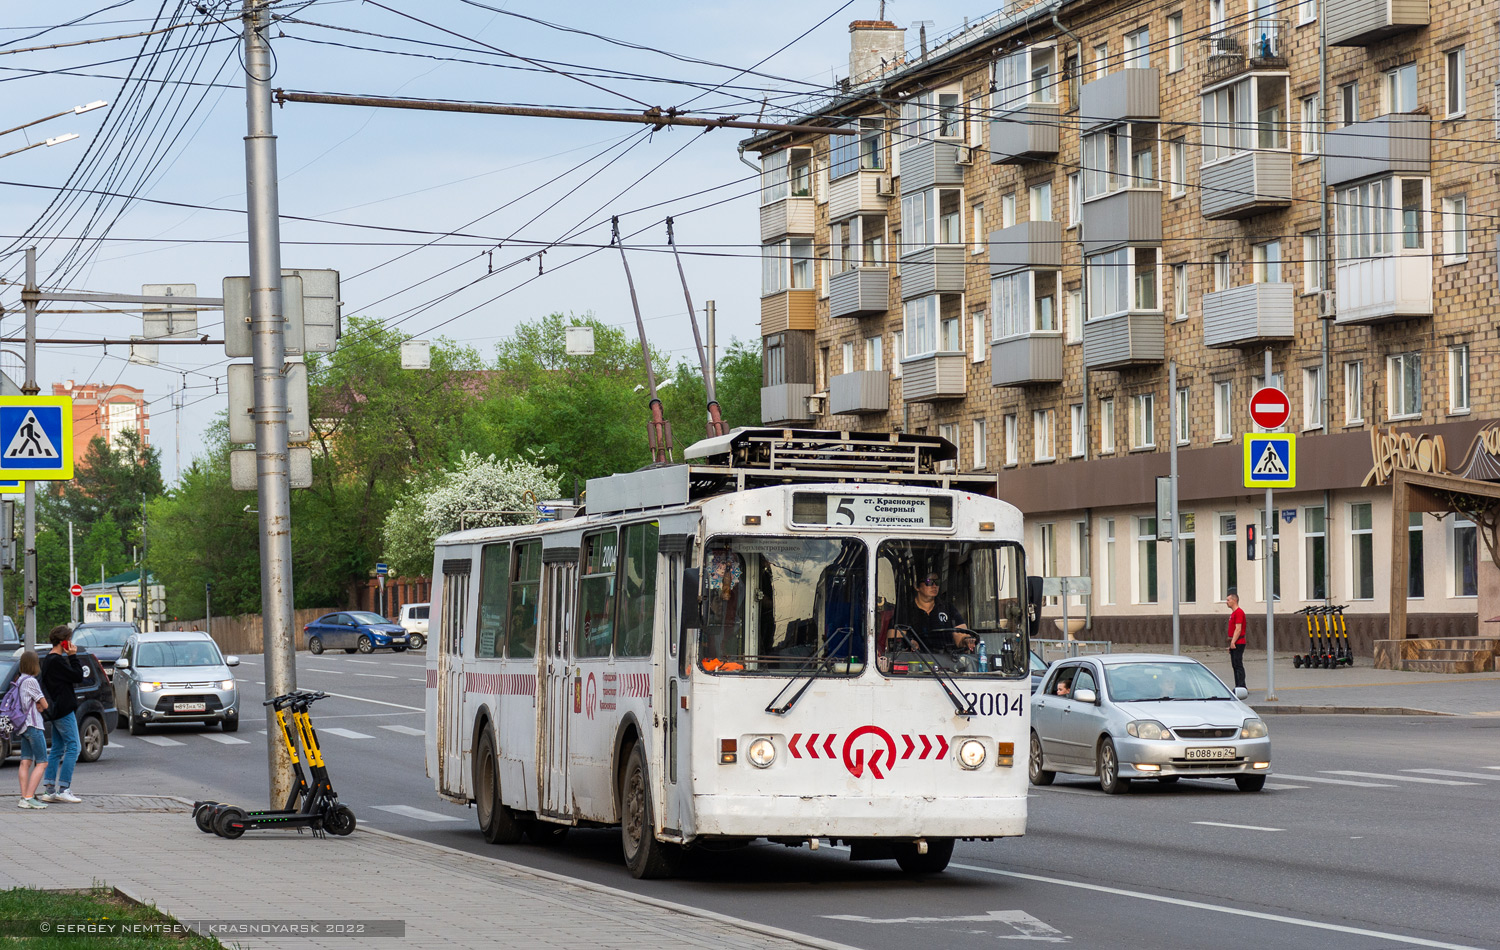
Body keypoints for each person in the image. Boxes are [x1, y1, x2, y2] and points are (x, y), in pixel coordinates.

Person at [39, 625, 84, 804]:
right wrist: (73, 656)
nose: (71, 643)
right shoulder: (57, 661)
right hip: (63, 710)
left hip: (56, 709)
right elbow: (78, 675)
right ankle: (64, 789)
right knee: (74, 747)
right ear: (63, 641)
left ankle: (50, 790)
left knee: (57, 748)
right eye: (69, 639)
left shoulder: (48, 660)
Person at [894, 572, 974, 653]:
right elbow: (894, 643)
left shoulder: (948, 608)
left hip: (946, 661)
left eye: (937, 582)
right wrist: (909, 643)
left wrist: (966, 640)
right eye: (929, 582)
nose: (934, 586)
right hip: (916, 661)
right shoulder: (905, 611)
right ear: (916, 586)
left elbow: (961, 636)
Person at [13, 649, 50, 808]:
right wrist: (40, 705)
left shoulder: (20, 680)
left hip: (23, 727)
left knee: (25, 762)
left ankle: (23, 797)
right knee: (42, 762)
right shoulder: (31, 681)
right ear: (35, 665)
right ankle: (29, 797)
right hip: (34, 725)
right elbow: (45, 704)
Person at [1226, 591, 1247, 690]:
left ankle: (1241, 686)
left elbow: (1238, 629)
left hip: (1238, 642)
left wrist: (1233, 642)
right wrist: (1231, 643)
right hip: (1234, 642)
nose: (1226, 602)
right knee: (1235, 665)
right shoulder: (1234, 613)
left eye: (1228, 600)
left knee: (1238, 664)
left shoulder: (1239, 612)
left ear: (1234, 600)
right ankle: (1238, 685)